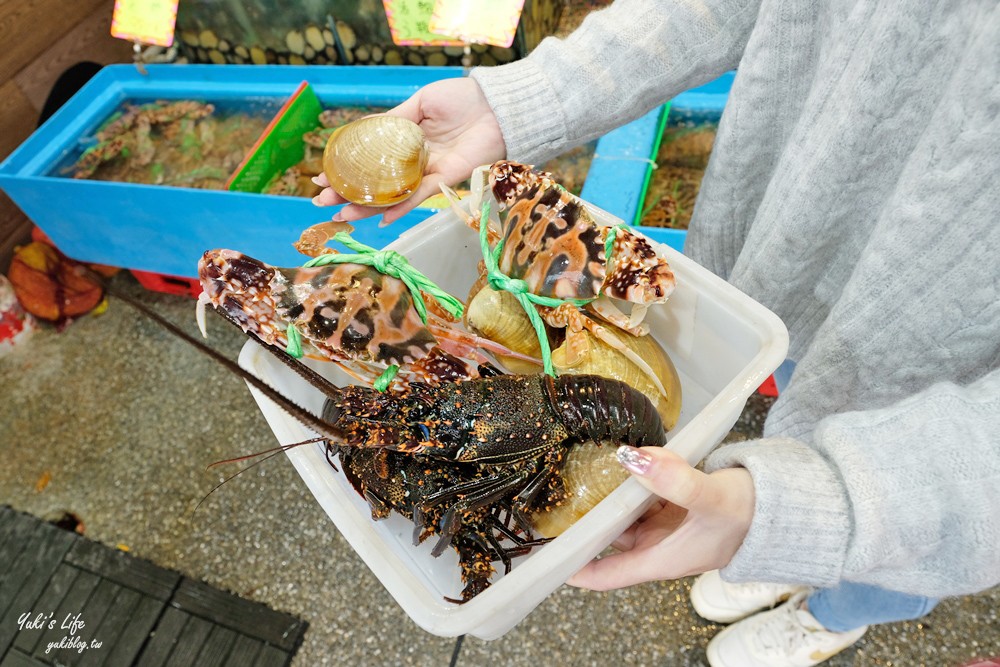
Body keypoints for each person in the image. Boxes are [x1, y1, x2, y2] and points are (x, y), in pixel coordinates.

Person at [313, 1, 1000, 664]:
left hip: (954, 360)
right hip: (794, 247)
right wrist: (517, 100)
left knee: (894, 551)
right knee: (802, 404)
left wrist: (814, 510)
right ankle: (775, 514)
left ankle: (827, 613)